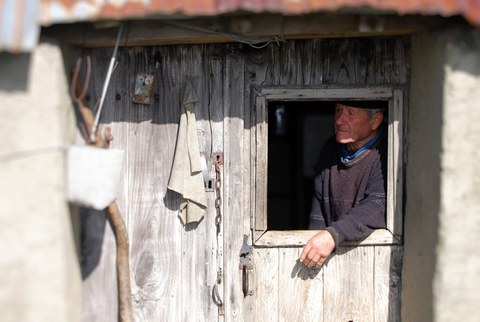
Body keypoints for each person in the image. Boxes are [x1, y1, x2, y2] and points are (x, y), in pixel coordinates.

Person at [299, 101, 387, 269]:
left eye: (350, 113)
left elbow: (378, 205)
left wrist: (333, 235)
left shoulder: (387, 151)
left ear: (375, 120)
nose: (339, 120)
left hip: (373, 264)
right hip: (333, 263)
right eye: (338, 110)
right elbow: (318, 215)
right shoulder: (331, 149)